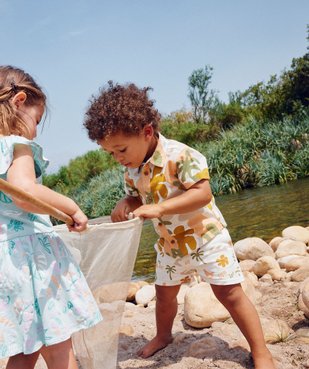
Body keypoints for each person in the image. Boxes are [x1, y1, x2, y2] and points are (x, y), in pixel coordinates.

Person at [84, 81, 275, 369]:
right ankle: (163, 336)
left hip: (206, 238)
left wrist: (159, 207)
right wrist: (126, 204)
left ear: (147, 132)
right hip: (170, 244)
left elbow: (202, 193)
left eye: (121, 149)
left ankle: (261, 351)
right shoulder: (132, 171)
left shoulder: (181, 156)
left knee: (229, 293)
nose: (118, 158)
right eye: (111, 154)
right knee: (164, 295)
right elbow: (137, 198)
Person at [0, 66, 102, 369]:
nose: (35, 130)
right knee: (59, 346)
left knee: (26, 348)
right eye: (37, 120)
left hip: (6, 262)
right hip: (29, 259)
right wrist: (71, 207)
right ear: (19, 102)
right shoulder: (15, 144)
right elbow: (23, 191)